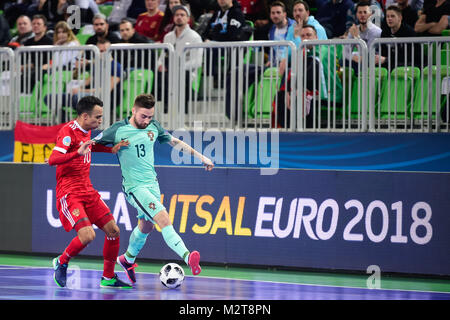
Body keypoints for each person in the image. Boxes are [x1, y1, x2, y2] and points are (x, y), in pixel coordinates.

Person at [93, 93, 214, 284]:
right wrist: (110, 148)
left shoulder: (154, 126)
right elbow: (91, 145)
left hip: (153, 184)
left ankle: (127, 259)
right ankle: (188, 256)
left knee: (146, 226)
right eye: (143, 116)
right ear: (133, 110)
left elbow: (175, 142)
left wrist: (202, 157)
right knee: (163, 218)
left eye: (150, 116)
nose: (147, 120)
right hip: (135, 187)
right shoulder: (117, 129)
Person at [48, 95, 131, 289]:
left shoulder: (86, 130)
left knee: (113, 231)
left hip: (87, 190)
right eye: (98, 117)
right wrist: (77, 153)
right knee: (88, 236)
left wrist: (111, 150)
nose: (100, 121)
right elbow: (52, 159)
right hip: (70, 192)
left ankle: (108, 277)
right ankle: (62, 261)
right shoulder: (68, 131)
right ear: (85, 116)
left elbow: (90, 146)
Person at [155, 4, 203, 111]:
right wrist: (160, 65)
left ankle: (179, 109)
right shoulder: (168, 37)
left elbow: (197, 61)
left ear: (188, 18)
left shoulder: (195, 37)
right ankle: (163, 108)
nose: (179, 17)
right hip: (169, 72)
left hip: (186, 73)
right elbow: (162, 57)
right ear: (173, 18)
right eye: (177, 15)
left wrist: (178, 67)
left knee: (178, 75)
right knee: (159, 74)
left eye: (182, 15)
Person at [275, 24, 323, 129]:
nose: (306, 38)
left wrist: (296, 89)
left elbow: (310, 78)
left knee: (300, 95)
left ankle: (305, 133)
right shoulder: (301, 54)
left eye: (309, 35)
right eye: (303, 36)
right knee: (281, 95)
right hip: (300, 89)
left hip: (316, 92)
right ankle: (285, 132)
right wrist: (288, 90)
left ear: (316, 37)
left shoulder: (322, 52)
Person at [375, 5, 418, 69]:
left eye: (392, 16)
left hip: (408, 64)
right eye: (387, 16)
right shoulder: (385, 33)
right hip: (391, 63)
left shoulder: (409, 32)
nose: (389, 19)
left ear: (400, 18)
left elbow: (409, 56)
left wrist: (387, 59)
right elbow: (383, 53)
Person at [344, 1, 381, 73]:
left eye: (365, 12)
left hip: (372, 61)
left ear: (370, 14)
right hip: (359, 60)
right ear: (356, 14)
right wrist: (352, 57)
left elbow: (368, 54)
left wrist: (357, 37)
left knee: (362, 63)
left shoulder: (376, 32)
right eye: (360, 12)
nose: (362, 15)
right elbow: (345, 52)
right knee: (343, 62)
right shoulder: (354, 29)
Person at [267, 1, 295, 66]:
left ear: (285, 14)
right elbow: (272, 50)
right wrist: (269, 60)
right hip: (276, 65)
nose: (275, 15)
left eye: (278, 12)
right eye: (273, 13)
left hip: (292, 64)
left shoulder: (295, 27)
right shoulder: (271, 30)